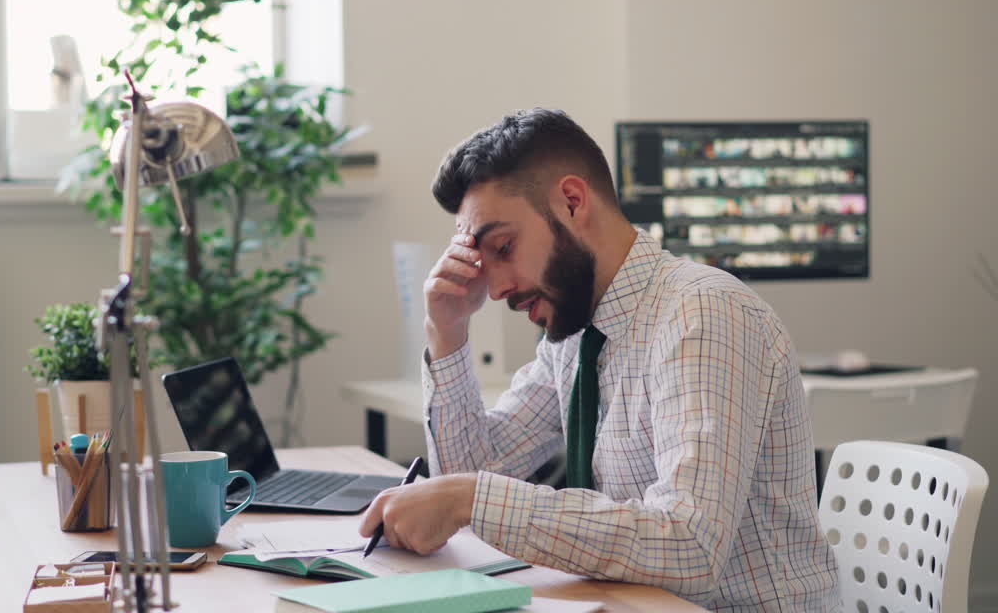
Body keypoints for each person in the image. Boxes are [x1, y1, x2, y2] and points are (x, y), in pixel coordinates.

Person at [358, 108, 841, 610]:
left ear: (571, 201)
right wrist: (448, 329)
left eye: (504, 246)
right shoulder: (576, 332)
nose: (496, 287)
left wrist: (468, 497)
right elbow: (467, 477)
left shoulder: (702, 314)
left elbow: (689, 544)